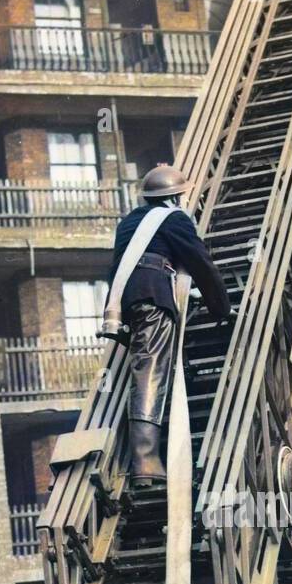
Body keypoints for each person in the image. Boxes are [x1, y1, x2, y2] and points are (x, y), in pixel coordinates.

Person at [109, 164, 232, 487]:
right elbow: (199, 262)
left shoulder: (129, 223)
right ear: (175, 197)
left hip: (127, 302)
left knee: (145, 365)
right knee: (150, 370)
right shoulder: (174, 219)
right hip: (153, 298)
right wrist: (220, 306)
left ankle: (146, 454)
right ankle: (146, 459)